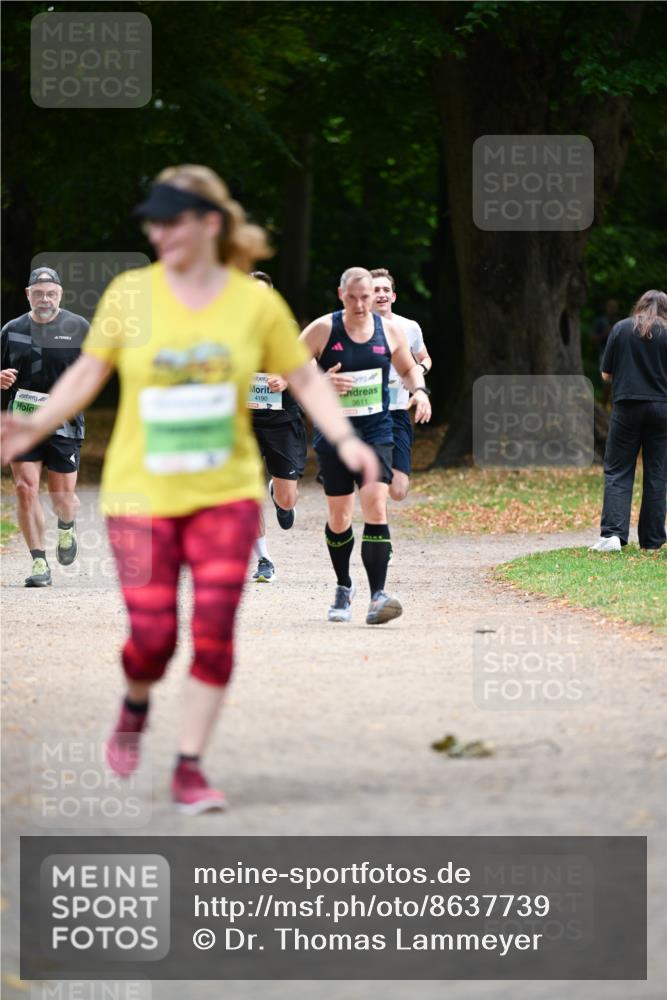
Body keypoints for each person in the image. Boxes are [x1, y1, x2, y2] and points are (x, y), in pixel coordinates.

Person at [1, 165, 378, 814]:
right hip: (140, 491)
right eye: (153, 221)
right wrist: (33, 420)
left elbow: (303, 378)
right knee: (152, 638)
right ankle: (135, 703)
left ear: (208, 225)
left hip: (224, 492)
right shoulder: (129, 294)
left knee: (213, 633)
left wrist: (344, 439)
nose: (158, 231)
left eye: (171, 219)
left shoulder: (254, 303)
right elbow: (90, 372)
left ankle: (189, 764)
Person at [300, 266, 431, 625]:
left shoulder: (389, 331)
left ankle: (378, 596)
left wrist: (419, 391)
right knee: (340, 517)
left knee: (376, 506)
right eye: (353, 297)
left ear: (375, 297)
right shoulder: (323, 329)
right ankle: (344, 586)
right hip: (335, 433)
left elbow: (409, 368)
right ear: (342, 295)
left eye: (366, 297)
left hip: (377, 429)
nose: (360, 304)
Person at [0, 267, 88, 587]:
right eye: (38, 294)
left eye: (51, 293)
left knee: (62, 496)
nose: (45, 299)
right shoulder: (11, 330)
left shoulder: (78, 327)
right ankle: (39, 562)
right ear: (28, 295)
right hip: (23, 420)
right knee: (25, 489)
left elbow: (94, 373)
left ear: (60, 295)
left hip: (64, 421)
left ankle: (66, 527)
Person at [590, 289, 667, 552]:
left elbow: (604, 374)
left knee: (619, 469)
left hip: (626, 406)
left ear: (641, 305)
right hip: (662, 409)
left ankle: (613, 535)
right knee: (657, 472)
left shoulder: (621, 329)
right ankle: (653, 540)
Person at [247, 270, 307, 583]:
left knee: (287, 497)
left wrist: (284, 379)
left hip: (281, 418)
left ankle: (278, 493)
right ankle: (264, 560)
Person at [370, 268, 432, 501]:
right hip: (366, 413)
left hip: (397, 411)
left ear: (393, 296)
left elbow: (425, 358)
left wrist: (418, 371)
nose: (382, 294)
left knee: (398, 491)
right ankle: (375, 517)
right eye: (376, 290)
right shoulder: (354, 329)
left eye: (386, 289)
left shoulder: (410, 327)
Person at [591, 299, 620, 407]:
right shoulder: (600, 321)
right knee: (606, 384)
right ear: (606, 307)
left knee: (615, 385)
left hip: (619, 356)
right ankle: (603, 407)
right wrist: (605, 333)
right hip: (604, 354)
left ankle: (611, 408)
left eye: (614, 307)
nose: (612, 309)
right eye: (610, 306)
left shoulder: (619, 322)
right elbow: (593, 338)